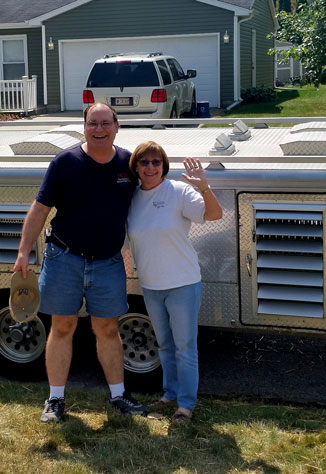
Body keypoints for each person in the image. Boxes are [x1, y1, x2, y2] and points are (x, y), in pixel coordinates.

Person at [13, 103, 149, 423]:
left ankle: (118, 396)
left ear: (117, 126)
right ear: (84, 126)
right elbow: (39, 209)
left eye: (105, 123)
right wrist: (23, 252)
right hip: (64, 259)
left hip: (108, 262)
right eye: (92, 123)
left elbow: (154, 196)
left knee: (107, 328)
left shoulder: (127, 164)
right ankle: (55, 400)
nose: (99, 129)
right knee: (62, 326)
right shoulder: (65, 162)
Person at [126, 141, 223, 424]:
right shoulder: (131, 198)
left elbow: (213, 214)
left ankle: (185, 406)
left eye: (156, 162)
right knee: (165, 345)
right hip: (151, 285)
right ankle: (169, 394)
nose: (151, 167)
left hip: (182, 283)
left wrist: (204, 187)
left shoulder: (179, 192)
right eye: (144, 162)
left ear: (164, 166)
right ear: (136, 167)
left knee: (184, 347)